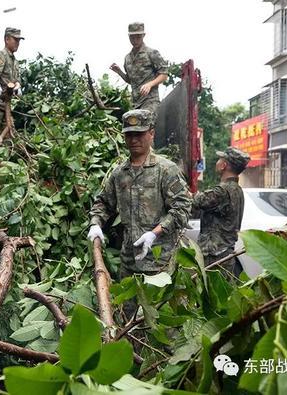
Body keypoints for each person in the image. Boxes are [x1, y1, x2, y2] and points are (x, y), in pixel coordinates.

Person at [88, 110, 191, 318]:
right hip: (129, 263)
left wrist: (155, 233)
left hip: (160, 262)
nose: (134, 139)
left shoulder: (165, 170)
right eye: (129, 135)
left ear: (151, 133)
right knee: (129, 318)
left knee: (160, 320)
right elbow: (103, 203)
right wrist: (96, 223)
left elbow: (183, 208)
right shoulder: (119, 174)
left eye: (139, 134)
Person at [192, 146, 250, 276]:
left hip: (213, 254)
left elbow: (197, 201)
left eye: (220, 159)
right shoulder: (237, 189)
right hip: (225, 252)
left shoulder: (222, 191)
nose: (217, 162)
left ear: (224, 165)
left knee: (209, 292)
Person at [110, 22, 168, 113]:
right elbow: (130, 81)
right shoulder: (127, 58)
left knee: (148, 126)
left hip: (150, 101)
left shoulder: (151, 53)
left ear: (143, 35)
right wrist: (119, 72)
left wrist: (150, 84)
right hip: (135, 104)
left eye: (138, 37)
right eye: (132, 37)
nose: (135, 40)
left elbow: (164, 75)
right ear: (129, 37)